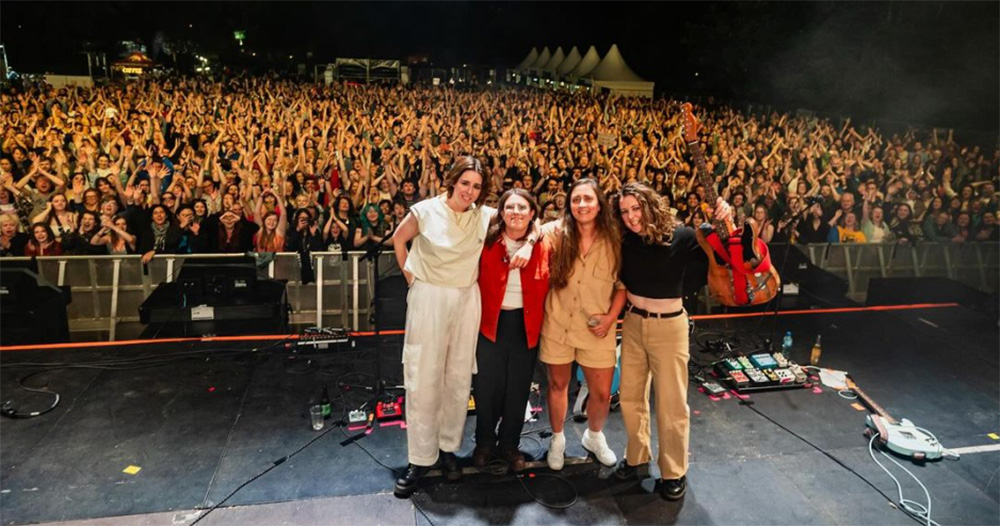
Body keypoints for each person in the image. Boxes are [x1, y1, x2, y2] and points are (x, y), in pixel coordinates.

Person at [391, 156, 535, 498]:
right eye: (465, 183)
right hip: (430, 298)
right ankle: (419, 459)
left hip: (467, 299)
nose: (470, 190)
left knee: (457, 379)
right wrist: (411, 277)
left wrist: (528, 243)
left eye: (477, 186)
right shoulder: (425, 210)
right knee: (424, 377)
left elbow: (529, 217)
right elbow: (399, 239)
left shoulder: (484, 216)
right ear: (453, 180)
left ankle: (446, 450)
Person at [613, 182, 729, 501]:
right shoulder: (623, 239)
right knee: (631, 397)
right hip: (634, 323)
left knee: (671, 403)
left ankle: (673, 471)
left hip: (670, 327)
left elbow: (727, 250)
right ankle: (637, 458)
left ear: (651, 205)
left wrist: (725, 218)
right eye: (624, 212)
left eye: (636, 208)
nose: (631, 217)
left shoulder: (684, 237)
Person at [540, 178, 626, 472]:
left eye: (588, 199)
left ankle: (594, 436)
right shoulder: (554, 232)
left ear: (599, 203)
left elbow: (622, 286)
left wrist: (611, 317)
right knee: (557, 385)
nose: (582, 205)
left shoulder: (615, 238)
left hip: (596, 328)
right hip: (559, 325)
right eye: (576, 200)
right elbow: (526, 235)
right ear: (569, 205)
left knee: (601, 393)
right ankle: (558, 439)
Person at [472, 189, 551, 473]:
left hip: (525, 326)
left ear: (532, 213)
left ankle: (509, 444)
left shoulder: (544, 242)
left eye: (522, 207)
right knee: (485, 388)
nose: (516, 212)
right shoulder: (486, 240)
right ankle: (483, 443)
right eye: (510, 207)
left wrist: (530, 240)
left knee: (517, 390)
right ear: (501, 213)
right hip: (490, 324)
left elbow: (545, 227)